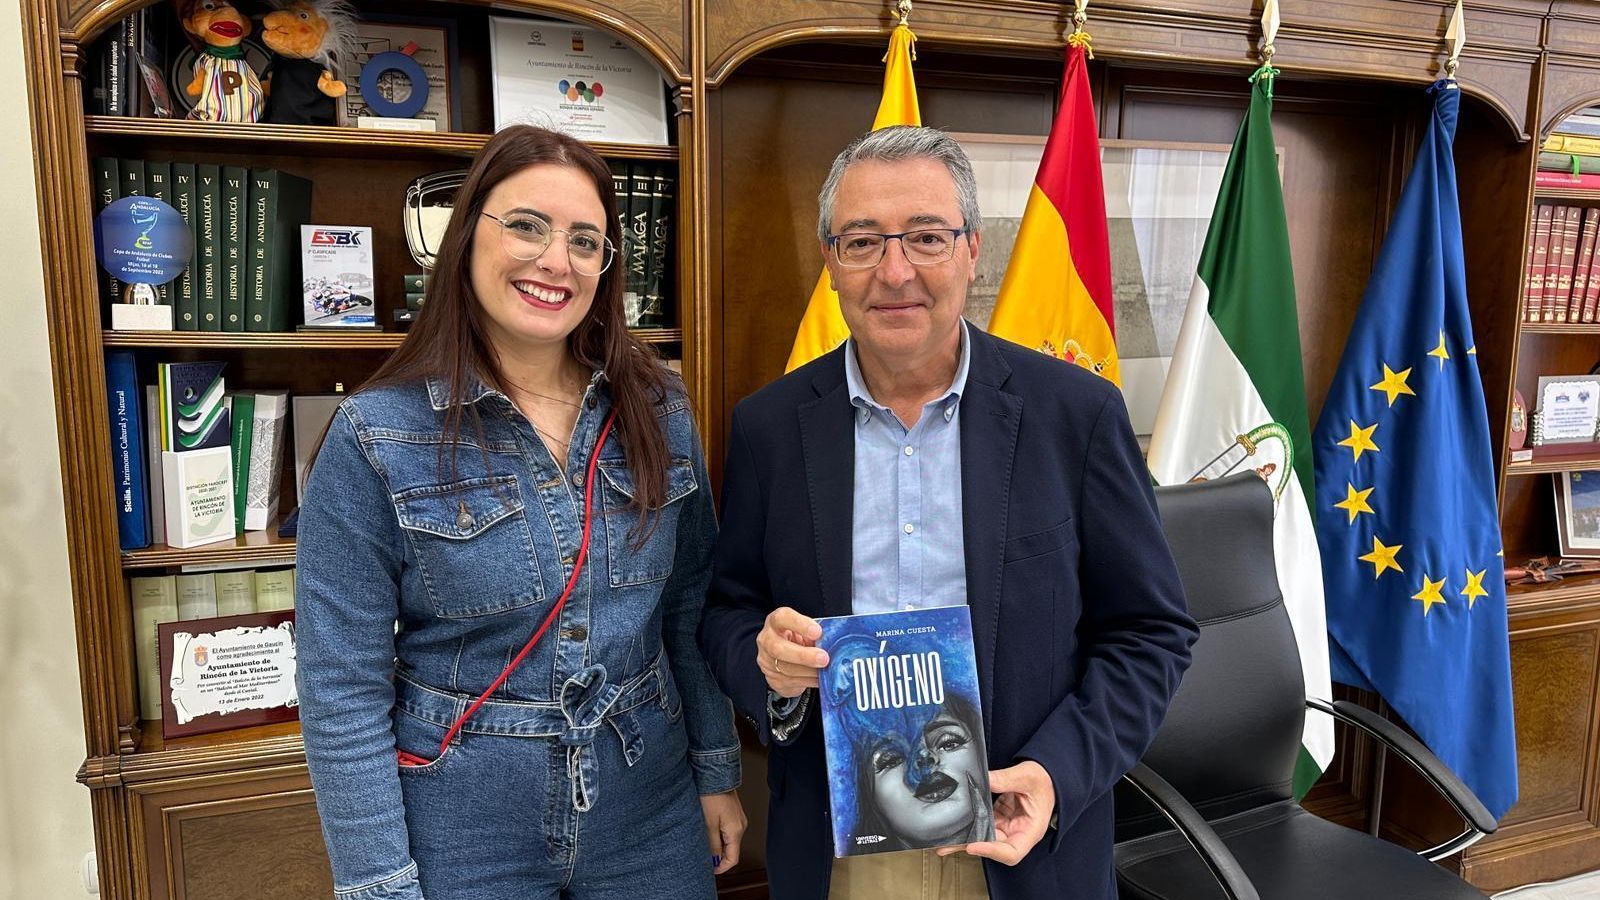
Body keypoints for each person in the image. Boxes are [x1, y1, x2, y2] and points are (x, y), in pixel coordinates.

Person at [698, 124, 1199, 900]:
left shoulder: (1078, 415)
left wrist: (1056, 773)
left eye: (926, 237)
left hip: (1020, 844)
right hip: (842, 853)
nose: (895, 271)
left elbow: (1151, 632)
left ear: (972, 250)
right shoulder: (769, 428)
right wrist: (765, 664)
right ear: (831, 262)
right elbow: (728, 610)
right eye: (862, 241)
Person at [295, 124, 745, 900]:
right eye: (527, 227)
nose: (554, 262)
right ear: (467, 236)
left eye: (584, 240)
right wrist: (375, 879)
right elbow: (341, 683)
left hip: (649, 801)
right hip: (461, 815)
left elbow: (686, 608)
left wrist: (716, 768)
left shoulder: (659, 408)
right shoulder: (376, 434)